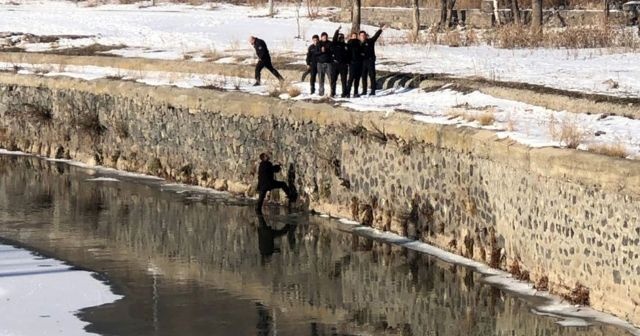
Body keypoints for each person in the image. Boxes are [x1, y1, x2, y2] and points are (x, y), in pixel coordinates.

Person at [359, 25, 387, 96]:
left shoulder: (370, 41)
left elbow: (376, 36)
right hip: (362, 62)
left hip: (370, 61)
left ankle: (373, 90)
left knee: (372, 76)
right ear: (359, 36)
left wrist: (380, 29)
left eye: (363, 35)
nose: (362, 36)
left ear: (365, 36)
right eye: (361, 35)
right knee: (363, 76)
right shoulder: (358, 44)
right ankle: (364, 91)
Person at [330, 26, 350, 98]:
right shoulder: (335, 44)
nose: (341, 39)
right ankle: (333, 92)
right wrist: (337, 30)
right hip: (335, 64)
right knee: (333, 79)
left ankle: (344, 93)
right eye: (340, 37)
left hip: (343, 65)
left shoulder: (346, 45)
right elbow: (334, 38)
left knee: (343, 80)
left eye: (342, 37)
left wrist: (348, 63)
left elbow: (348, 55)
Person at [315, 32, 333, 97]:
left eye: (326, 37)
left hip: (328, 63)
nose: (324, 38)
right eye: (323, 37)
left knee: (331, 78)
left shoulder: (330, 43)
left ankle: (332, 92)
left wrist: (326, 50)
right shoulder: (318, 43)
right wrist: (321, 51)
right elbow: (316, 53)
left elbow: (332, 51)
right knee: (321, 79)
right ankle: (321, 93)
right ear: (321, 37)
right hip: (320, 63)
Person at [346, 32, 362, 98]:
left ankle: (356, 92)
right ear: (351, 36)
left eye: (355, 36)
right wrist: (348, 61)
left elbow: (361, 51)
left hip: (359, 63)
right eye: (353, 36)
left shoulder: (359, 42)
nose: (354, 37)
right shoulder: (349, 43)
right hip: (352, 63)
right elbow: (347, 53)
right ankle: (348, 93)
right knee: (351, 78)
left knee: (357, 78)